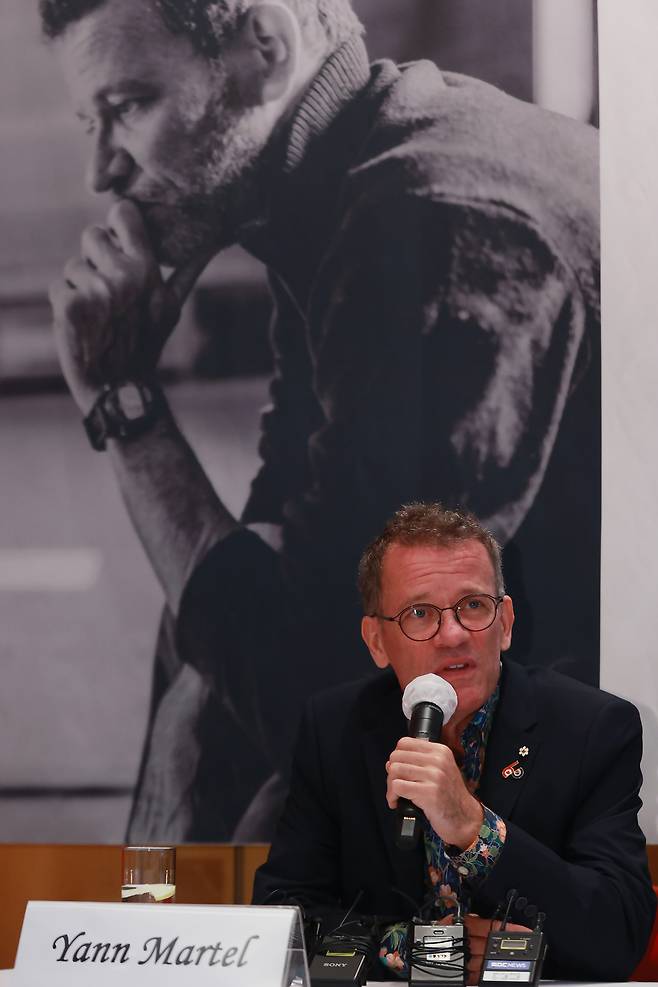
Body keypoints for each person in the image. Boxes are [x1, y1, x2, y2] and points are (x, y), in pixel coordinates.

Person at [41, 0, 600, 840]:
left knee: (284, 816)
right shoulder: (350, 177)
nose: (101, 171)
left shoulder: (425, 222)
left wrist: (123, 403)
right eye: (93, 119)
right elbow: (295, 544)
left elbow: (325, 700)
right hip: (513, 640)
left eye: (129, 107)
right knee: (214, 636)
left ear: (265, 46)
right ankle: (152, 940)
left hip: (604, 708)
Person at [253, 502, 656, 982]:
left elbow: (618, 936)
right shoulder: (335, 727)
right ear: (376, 641)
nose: (453, 634)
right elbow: (284, 917)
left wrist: (474, 828)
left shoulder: (591, 728)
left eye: (473, 606)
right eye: (420, 613)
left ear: (504, 623)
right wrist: (417, 951)